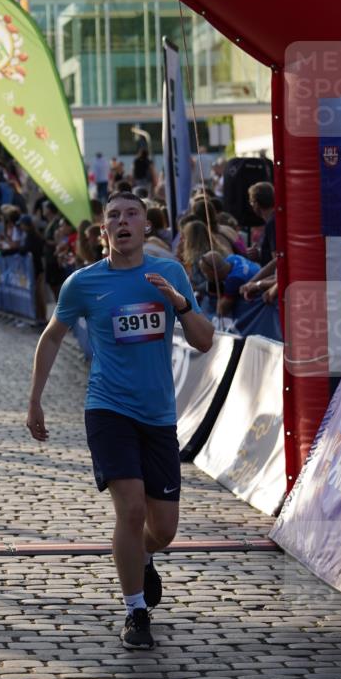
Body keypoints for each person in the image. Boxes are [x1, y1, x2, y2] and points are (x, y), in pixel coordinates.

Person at [27, 191, 214, 650]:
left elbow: (205, 341)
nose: (123, 221)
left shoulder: (168, 273)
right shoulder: (83, 284)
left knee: (163, 529)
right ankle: (135, 612)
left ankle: (145, 555)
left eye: (132, 214)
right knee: (130, 510)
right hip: (108, 408)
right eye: (114, 216)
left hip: (158, 414)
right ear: (103, 230)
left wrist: (181, 305)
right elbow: (52, 337)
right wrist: (34, 400)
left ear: (146, 227)